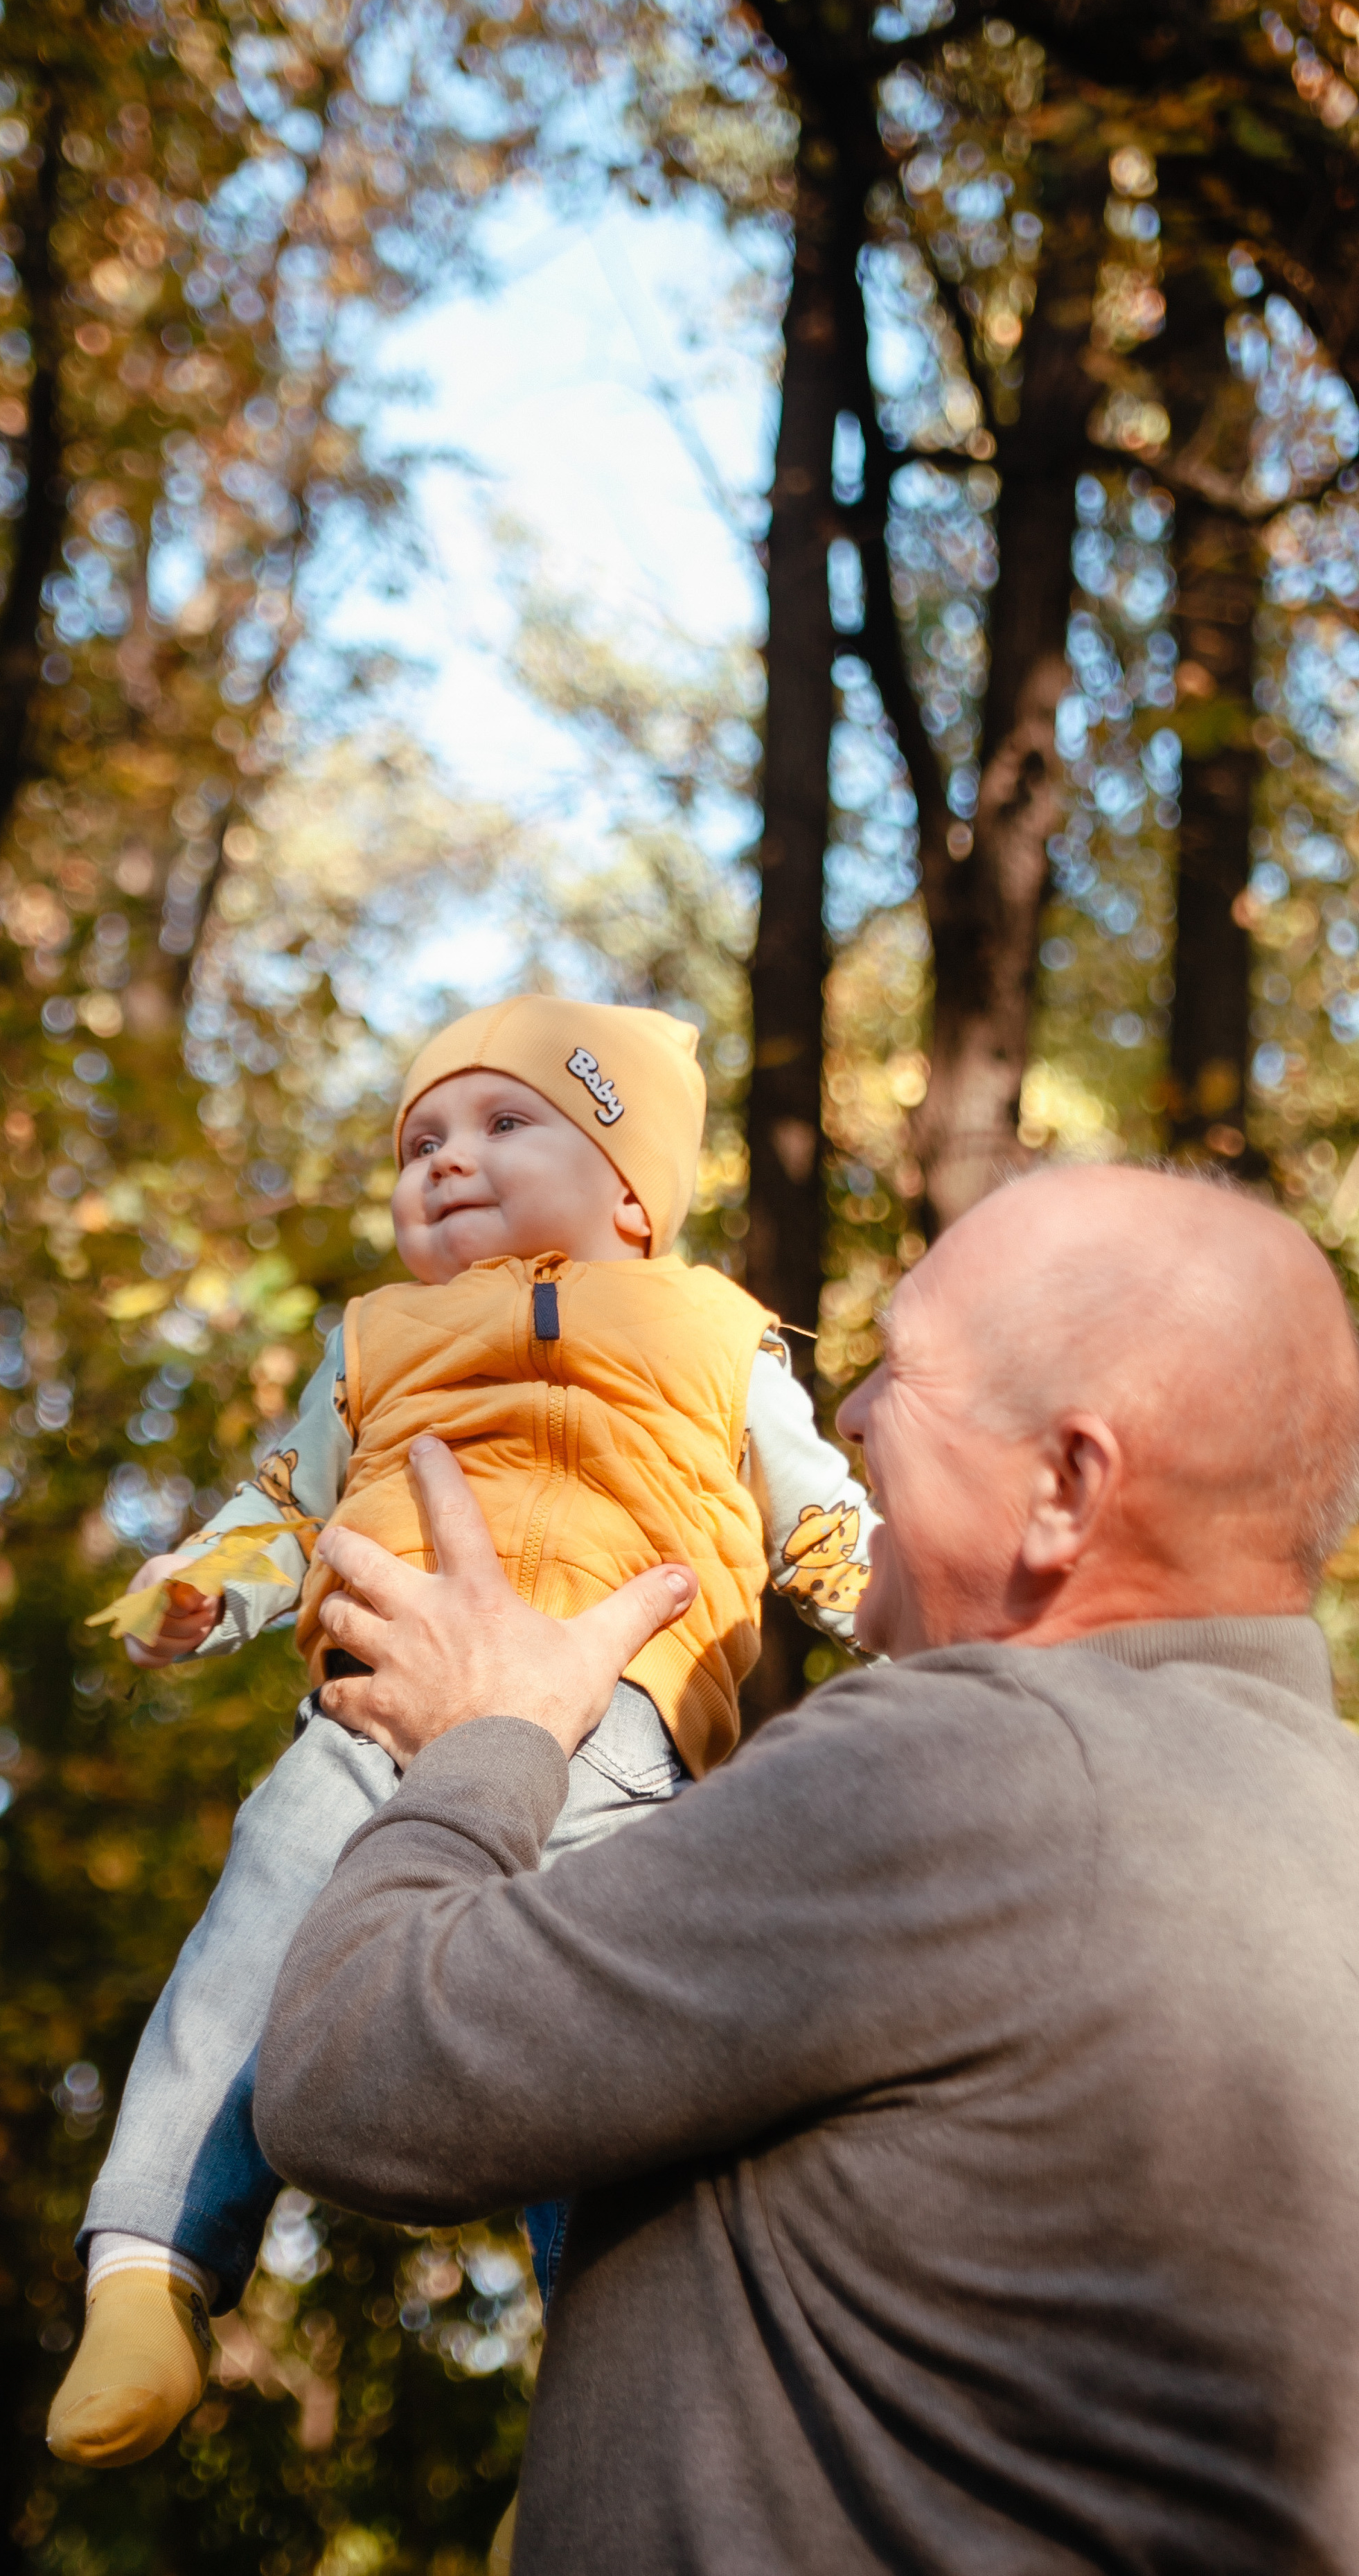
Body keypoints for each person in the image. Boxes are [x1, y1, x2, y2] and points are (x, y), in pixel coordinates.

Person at [254, 1163, 1359, 2573]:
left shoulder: (966, 1767)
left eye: (900, 1370)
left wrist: (492, 1735)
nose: (846, 1414)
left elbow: (351, 2075)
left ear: (1064, 1489)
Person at [48, 994, 875, 2467]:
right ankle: (148, 2271)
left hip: (622, 1738)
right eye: (418, 1138)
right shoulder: (376, 1339)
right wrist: (201, 1588)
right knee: (258, 1924)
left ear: (633, 1194)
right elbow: (284, 1506)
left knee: (605, 2055)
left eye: (504, 1122)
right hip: (373, 1712)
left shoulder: (711, 1329)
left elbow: (816, 1507)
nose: (443, 1156)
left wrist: (895, 1591)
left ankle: (607, 2428)